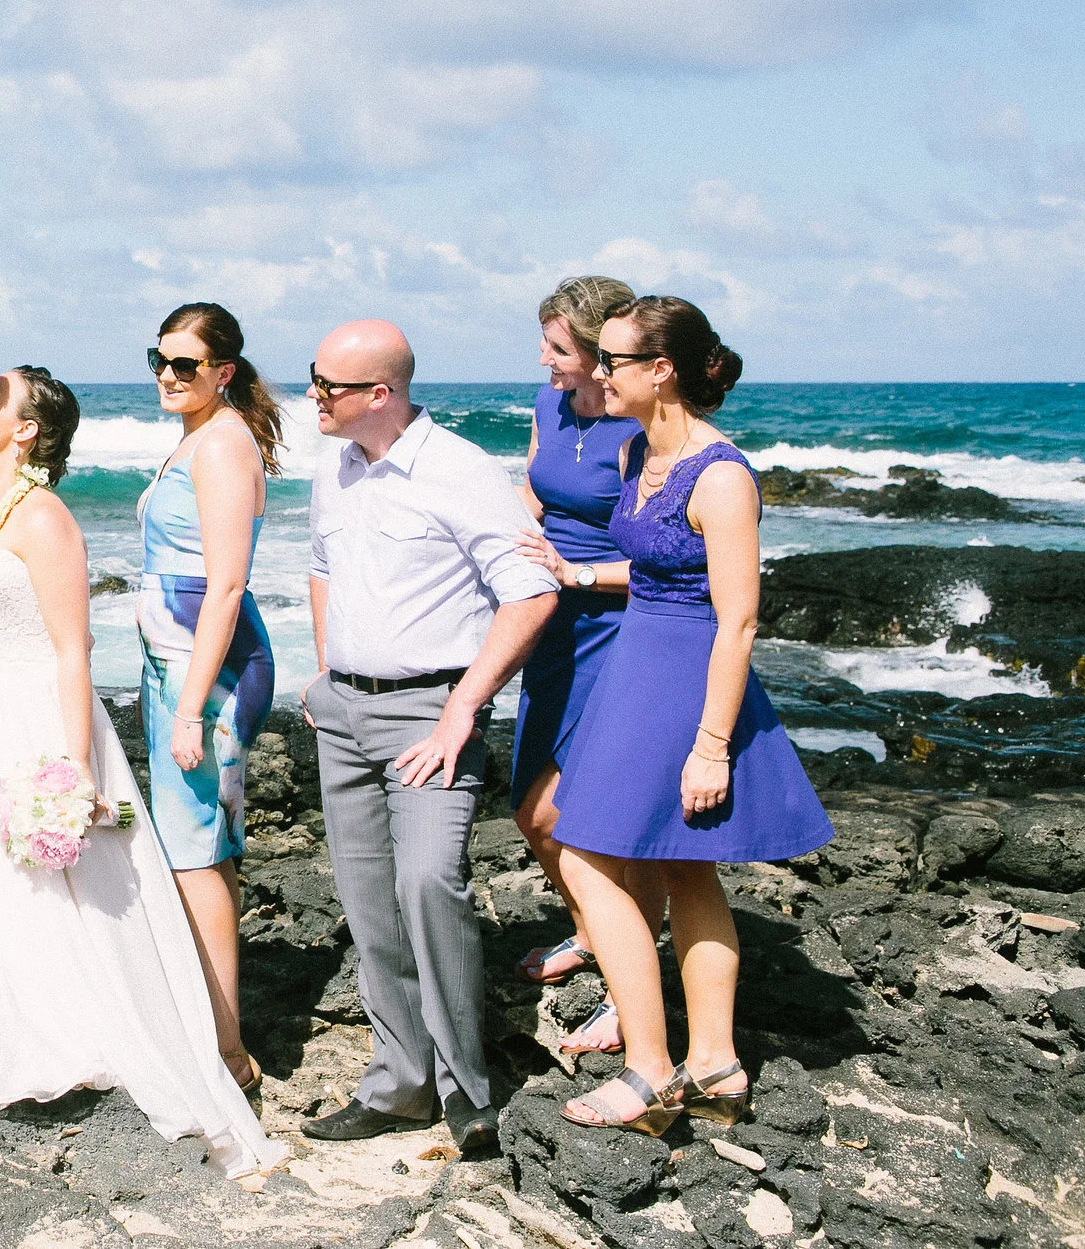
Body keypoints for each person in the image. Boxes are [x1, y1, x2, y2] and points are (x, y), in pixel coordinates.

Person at [0, 367, 288, 1181]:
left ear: (26, 430)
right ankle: (0, 1044)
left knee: (65, 894)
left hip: (38, 718)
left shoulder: (44, 516)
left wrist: (76, 767)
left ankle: (89, 1056)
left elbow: (72, 650)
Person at [551, 298, 833, 1134]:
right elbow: (644, 570)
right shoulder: (637, 449)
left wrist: (712, 747)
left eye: (612, 361)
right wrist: (570, 572)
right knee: (683, 867)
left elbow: (739, 621)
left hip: (690, 680)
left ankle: (648, 1069)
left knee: (587, 860)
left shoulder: (720, 476)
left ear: (661, 370)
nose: (598, 373)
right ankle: (714, 1062)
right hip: (635, 663)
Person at [299, 321, 557, 1157]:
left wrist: (461, 711)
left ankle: (466, 1091)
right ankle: (399, 1086)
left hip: (430, 716)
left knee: (428, 884)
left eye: (328, 385)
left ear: (381, 393)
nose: (312, 395)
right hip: (343, 712)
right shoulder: (335, 468)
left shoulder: (460, 470)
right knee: (368, 903)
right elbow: (323, 568)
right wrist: (326, 670)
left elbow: (531, 593)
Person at [138, 302, 286, 1101]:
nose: (167, 375)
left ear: (222, 372)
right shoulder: (198, 436)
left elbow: (227, 585)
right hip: (179, 665)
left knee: (197, 853)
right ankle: (217, 1036)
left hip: (208, 672)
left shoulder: (224, 444)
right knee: (197, 850)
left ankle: (227, 1054)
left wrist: (192, 706)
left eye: (185, 365)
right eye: (159, 360)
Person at [508, 276, 659, 1056]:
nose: (544, 359)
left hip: (620, 630)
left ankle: (632, 992)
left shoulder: (638, 430)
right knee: (533, 813)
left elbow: (666, 559)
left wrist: (580, 573)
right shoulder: (549, 406)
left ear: (603, 353)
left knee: (607, 826)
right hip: (551, 624)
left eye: (558, 347)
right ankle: (593, 934)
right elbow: (533, 500)